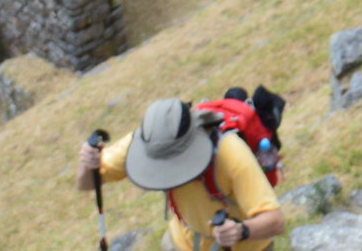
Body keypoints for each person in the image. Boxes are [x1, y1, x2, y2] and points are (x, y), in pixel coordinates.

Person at [77, 98, 284, 249]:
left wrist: (241, 231)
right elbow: (87, 183)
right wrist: (87, 164)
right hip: (182, 242)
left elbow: (275, 221)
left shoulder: (230, 152)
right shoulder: (146, 143)